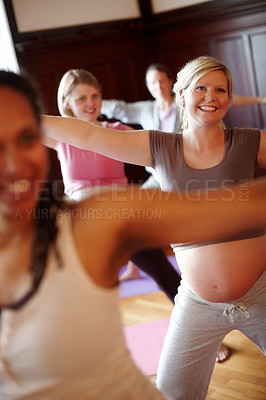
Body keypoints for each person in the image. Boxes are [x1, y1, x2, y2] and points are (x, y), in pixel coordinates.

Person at [2, 70, 266, 399]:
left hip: (245, 290)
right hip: (192, 298)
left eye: (26, 137)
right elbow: (82, 136)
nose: (14, 162)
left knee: (162, 275)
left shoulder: (102, 218)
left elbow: (218, 210)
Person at [43, 67, 182, 305]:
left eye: (95, 96)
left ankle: (206, 335)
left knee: (168, 278)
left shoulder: (117, 131)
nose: (90, 103)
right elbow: (24, 122)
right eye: (81, 98)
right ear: (67, 103)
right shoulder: (61, 135)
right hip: (82, 222)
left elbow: (157, 153)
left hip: (122, 216)